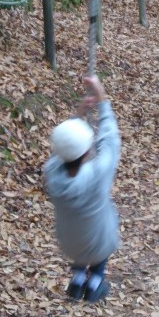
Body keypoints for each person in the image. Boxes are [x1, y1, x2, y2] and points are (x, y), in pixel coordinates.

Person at [44, 75, 121, 302]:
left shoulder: (52, 173)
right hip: (99, 243)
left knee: (81, 232)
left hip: (69, 245)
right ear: (88, 152)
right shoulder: (96, 175)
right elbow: (109, 142)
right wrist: (103, 100)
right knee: (107, 219)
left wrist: (78, 114)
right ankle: (95, 281)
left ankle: (78, 277)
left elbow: (63, 148)